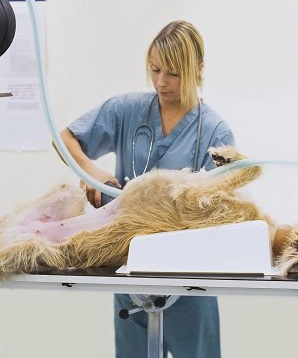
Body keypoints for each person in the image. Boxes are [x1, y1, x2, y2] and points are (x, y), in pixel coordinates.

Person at [58, 20, 233, 357]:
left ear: (198, 69)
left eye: (173, 73)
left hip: (189, 281)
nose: (161, 82)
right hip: (131, 270)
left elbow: (218, 208)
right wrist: (92, 172)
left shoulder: (215, 133)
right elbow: (66, 139)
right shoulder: (127, 111)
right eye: (154, 69)